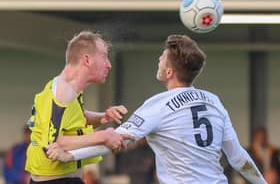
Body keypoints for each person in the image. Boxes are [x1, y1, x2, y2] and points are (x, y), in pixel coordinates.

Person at [46, 34, 267, 184]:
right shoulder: (214, 102)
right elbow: (238, 157)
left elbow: (116, 139)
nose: (159, 60)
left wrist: (69, 155)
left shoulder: (159, 105)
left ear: (169, 72)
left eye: (162, 58)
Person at [25, 30, 134, 184]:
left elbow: (74, 120)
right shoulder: (63, 92)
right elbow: (56, 142)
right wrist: (104, 136)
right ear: (87, 60)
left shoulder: (68, 89)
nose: (109, 65)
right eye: (104, 57)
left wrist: (103, 116)